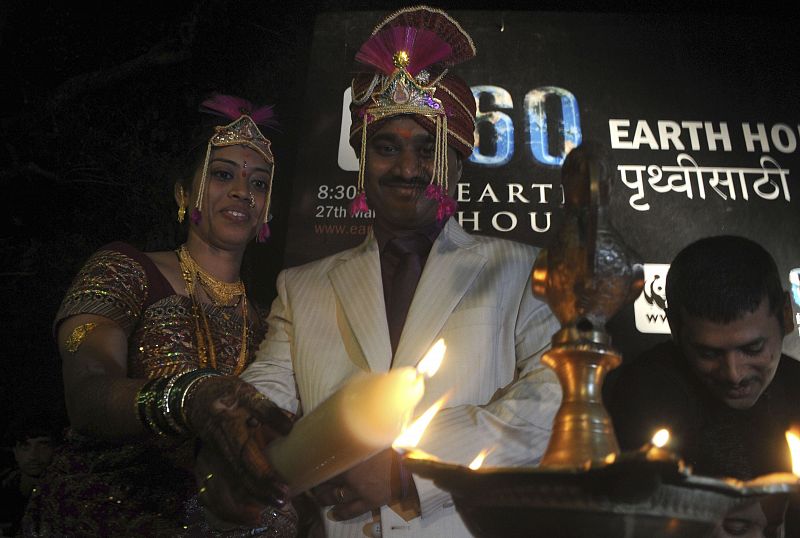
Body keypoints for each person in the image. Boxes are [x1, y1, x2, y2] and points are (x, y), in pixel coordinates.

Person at [229, 6, 563, 536]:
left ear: (455, 158)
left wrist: (405, 471)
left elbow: (551, 404)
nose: (407, 169)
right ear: (362, 158)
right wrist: (256, 441)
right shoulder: (303, 287)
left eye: (427, 149)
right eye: (386, 148)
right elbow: (264, 399)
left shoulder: (520, 271)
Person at [21, 94, 298, 537]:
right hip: (105, 511)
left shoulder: (271, 322)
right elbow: (87, 390)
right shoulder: (124, 268)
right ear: (184, 193)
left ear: (267, 210)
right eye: (223, 174)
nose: (243, 191)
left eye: (259, 183)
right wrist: (188, 399)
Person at [607, 234, 800, 537]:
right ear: (674, 329)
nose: (734, 374)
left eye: (752, 349)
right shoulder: (646, 391)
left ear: (787, 317)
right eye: (708, 353)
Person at [0, 415, 60, 536]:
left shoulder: (65, 496)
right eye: (25, 446)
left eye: (43, 445)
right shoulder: (4, 490)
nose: (33, 455)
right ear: (15, 452)